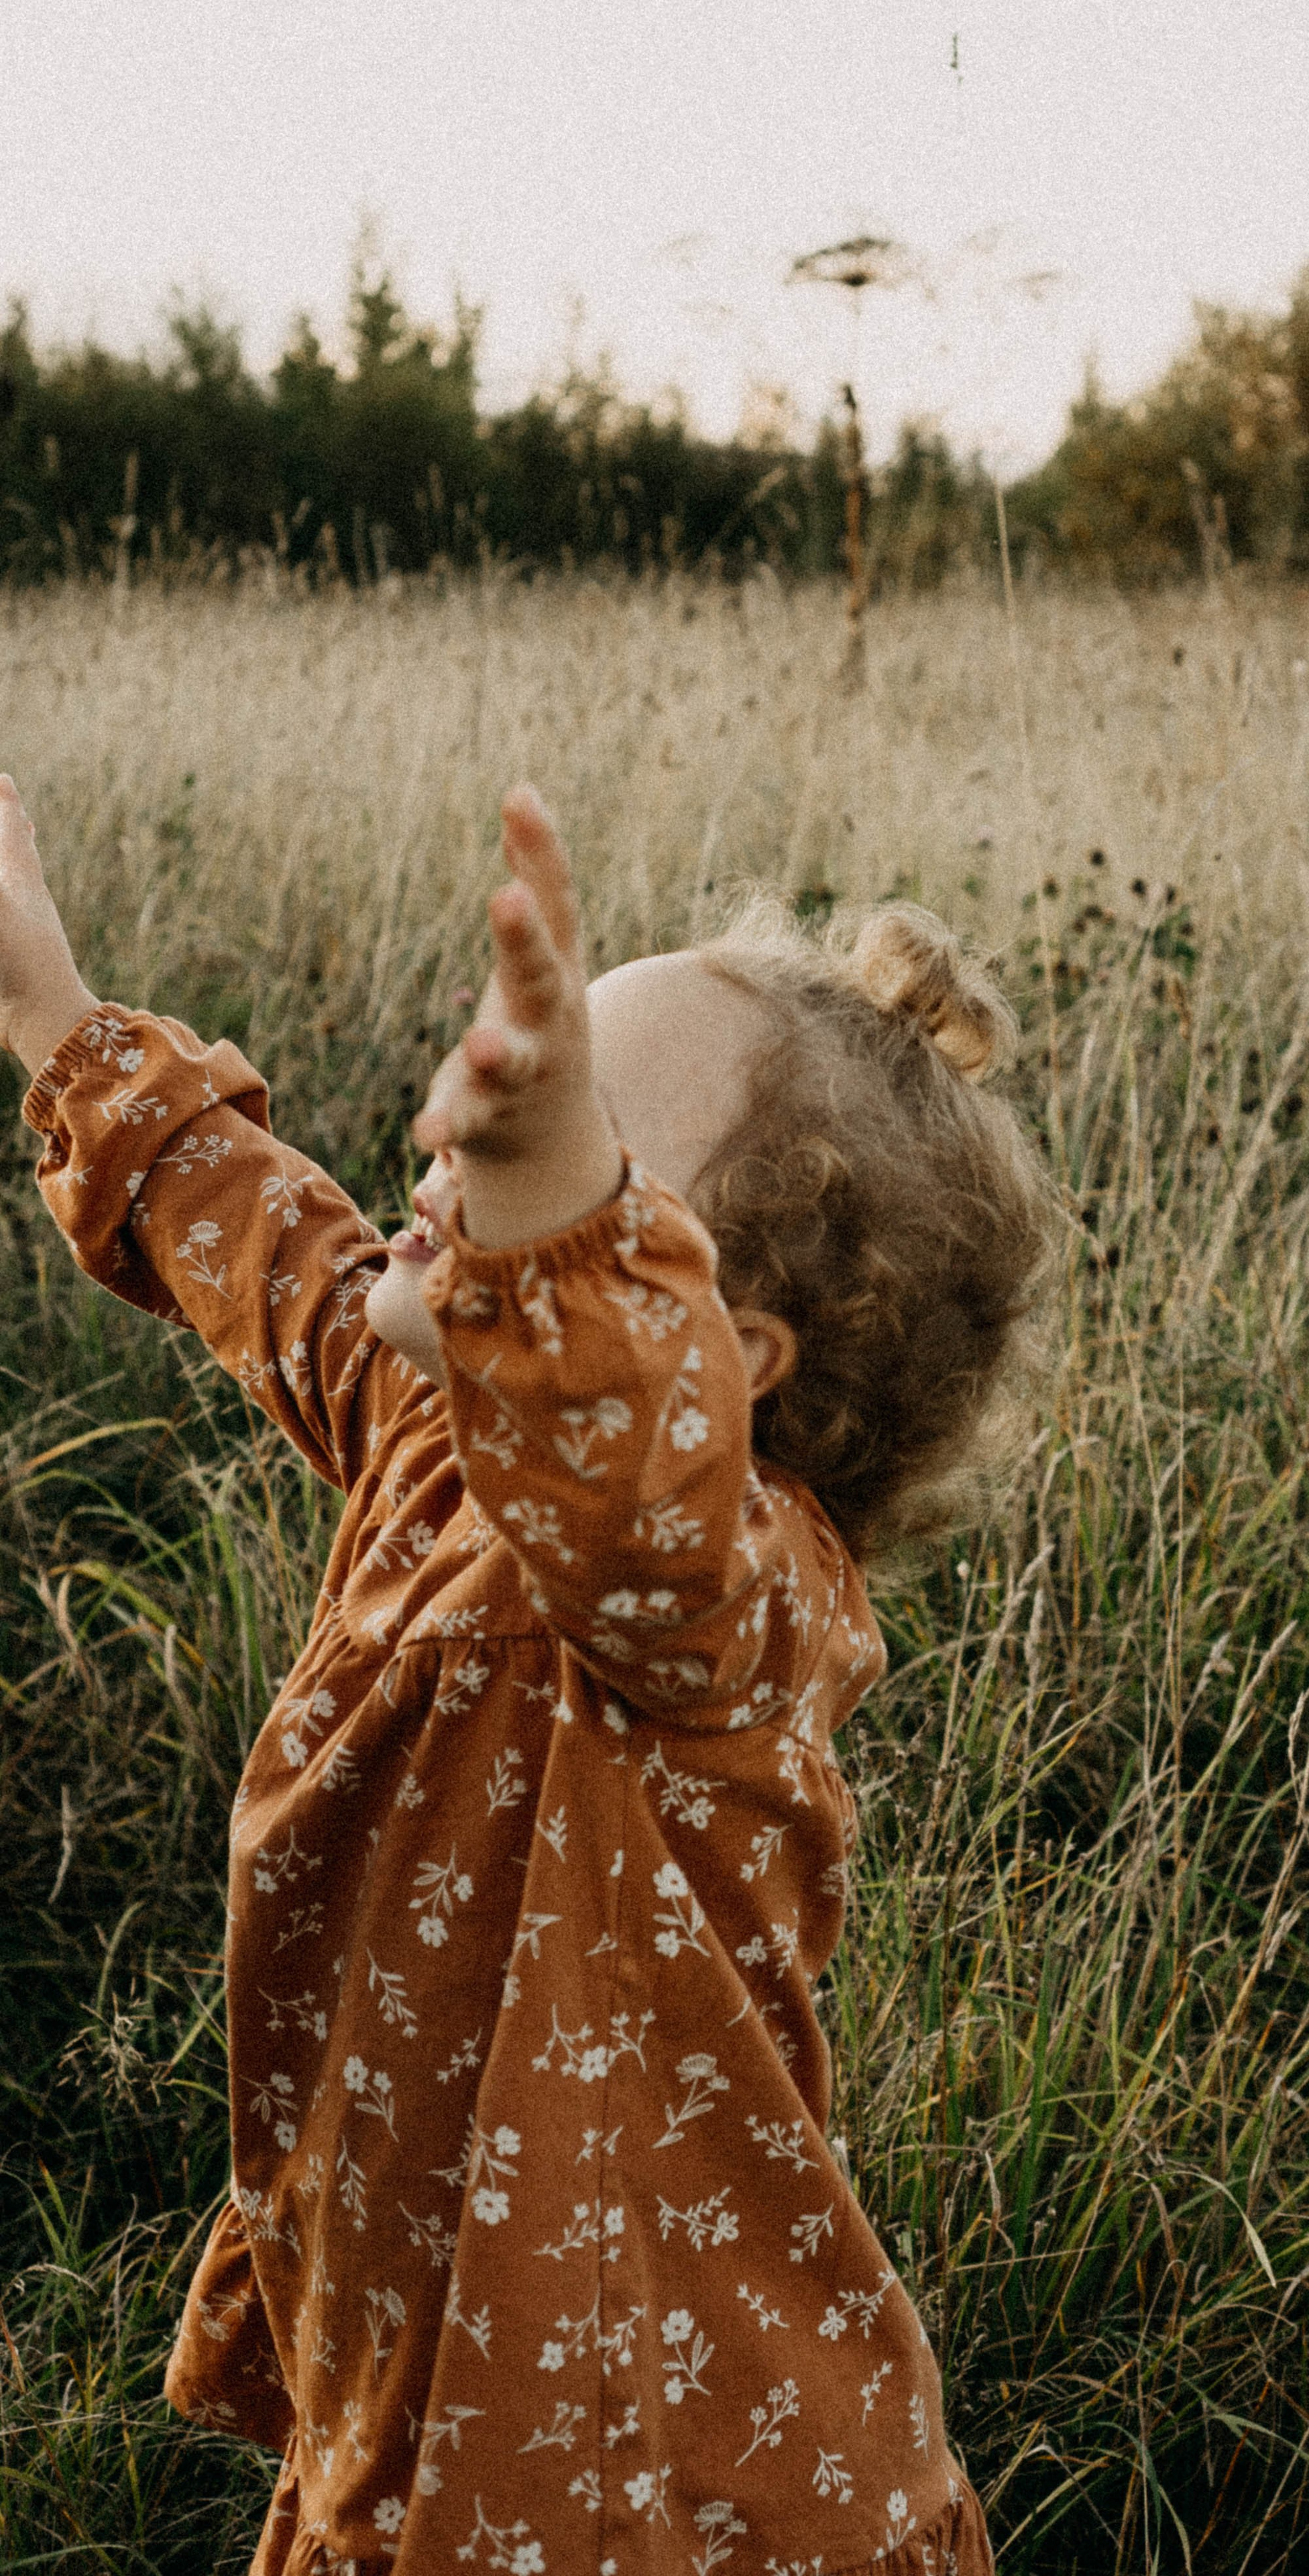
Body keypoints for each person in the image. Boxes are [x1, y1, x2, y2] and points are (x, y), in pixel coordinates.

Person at [0, 771, 1056, 2576]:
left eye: (563, 1155)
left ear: (723, 1358)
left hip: (669, 2484)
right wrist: (46, 996)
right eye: (491, 1108)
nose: (457, 1147)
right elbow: (280, 1256)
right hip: (445, 2374)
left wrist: (541, 1200)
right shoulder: (442, 1438)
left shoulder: (723, 1603)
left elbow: (625, 1452)